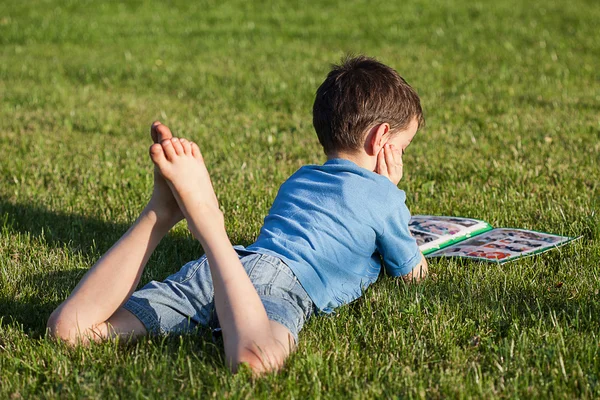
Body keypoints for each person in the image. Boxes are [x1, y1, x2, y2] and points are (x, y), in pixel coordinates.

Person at [47, 55, 429, 375]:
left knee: (74, 333)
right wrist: (390, 189)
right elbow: (411, 273)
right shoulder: (384, 196)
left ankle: (160, 212)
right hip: (282, 288)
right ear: (381, 139)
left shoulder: (301, 178)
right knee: (256, 360)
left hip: (229, 269)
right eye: (404, 146)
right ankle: (209, 224)